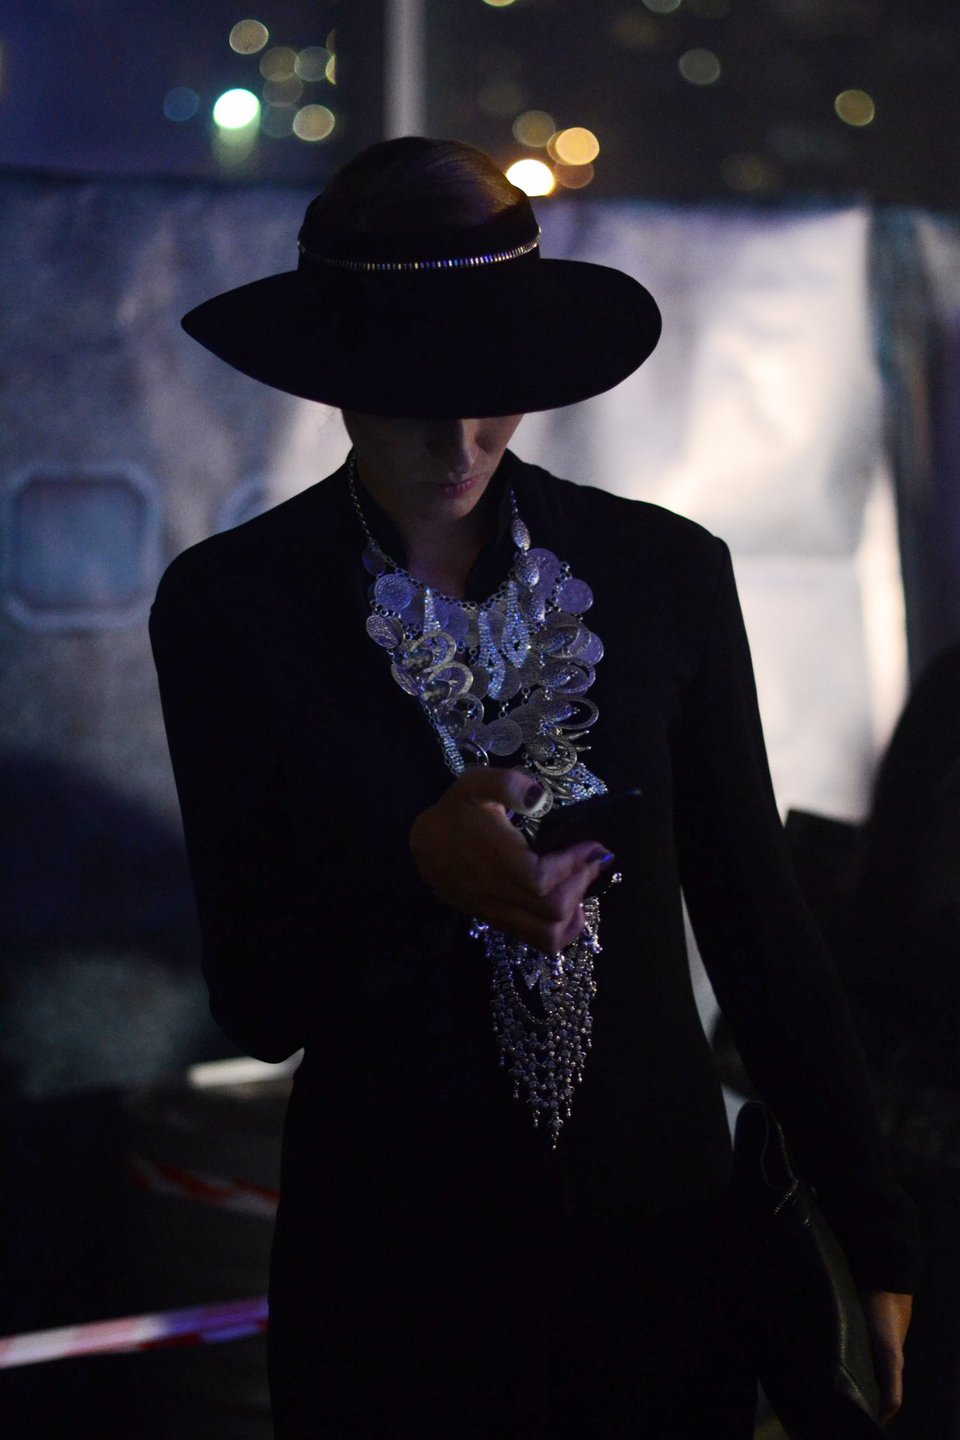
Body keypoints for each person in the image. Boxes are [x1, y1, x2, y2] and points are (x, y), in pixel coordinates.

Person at [150, 137, 916, 1439]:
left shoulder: (663, 573)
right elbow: (257, 1000)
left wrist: (873, 1230)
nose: (458, 440)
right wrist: (417, 871)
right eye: (410, 395)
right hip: (393, 1282)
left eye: (489, 390)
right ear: (335, 378)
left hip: (662, 1268)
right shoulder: (237, 606)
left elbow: (761, 928)